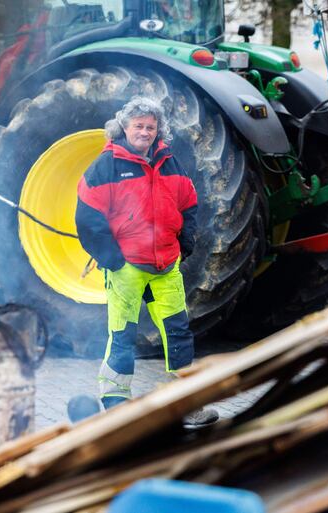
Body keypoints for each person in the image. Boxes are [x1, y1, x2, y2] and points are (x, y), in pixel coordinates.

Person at [75, 96, 218, 427]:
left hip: (166, 267)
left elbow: (189, 202)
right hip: (126, 267)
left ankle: (186, 405)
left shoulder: (169, 161)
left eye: (150, 127)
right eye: (138, 125)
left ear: (158, 131)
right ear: (124, 127)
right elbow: (87, 215)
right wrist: (111, 258)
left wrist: (185, 243)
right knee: (123, 335)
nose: (144, 132)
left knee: (179, 334)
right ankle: (116, 409)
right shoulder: (106, 165)